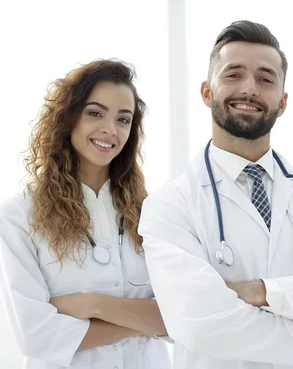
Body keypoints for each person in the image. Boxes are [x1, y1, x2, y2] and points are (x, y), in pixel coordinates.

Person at [138, 20, 293, 369]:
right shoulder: (169, 206)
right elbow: (195, 322)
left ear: (283, 101)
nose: (250, 89)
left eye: (266, 79)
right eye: (233, 75)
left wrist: (257, 291)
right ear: (206, 92)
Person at [0, 59, 171, 369]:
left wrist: (94, 305)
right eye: (95, 113)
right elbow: (36, 336)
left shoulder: (154, 213)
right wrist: (146, 321)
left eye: (123, 119)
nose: (110, 129)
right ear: (68, 118)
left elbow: (184, 315)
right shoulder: (19, 216)